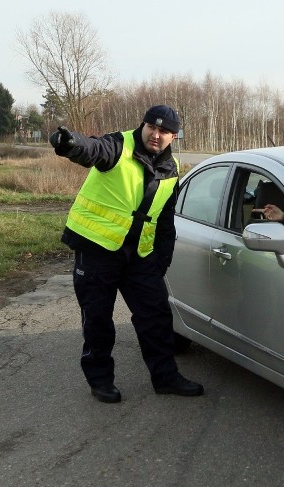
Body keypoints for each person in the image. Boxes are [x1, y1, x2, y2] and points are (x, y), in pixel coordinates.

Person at [49, 105, 204, 403]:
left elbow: (166, 224)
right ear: (143, 125)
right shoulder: (118, 146)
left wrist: (160, 263)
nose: (156, 135)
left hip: (140, 258)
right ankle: (100, 380)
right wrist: (70, 144)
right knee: (98, 321)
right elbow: (92, 149)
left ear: (174, 136)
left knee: (157, 317)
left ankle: (166, 377)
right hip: (97, 252)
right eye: (152, 127)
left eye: (164, 132)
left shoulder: (170, 172)